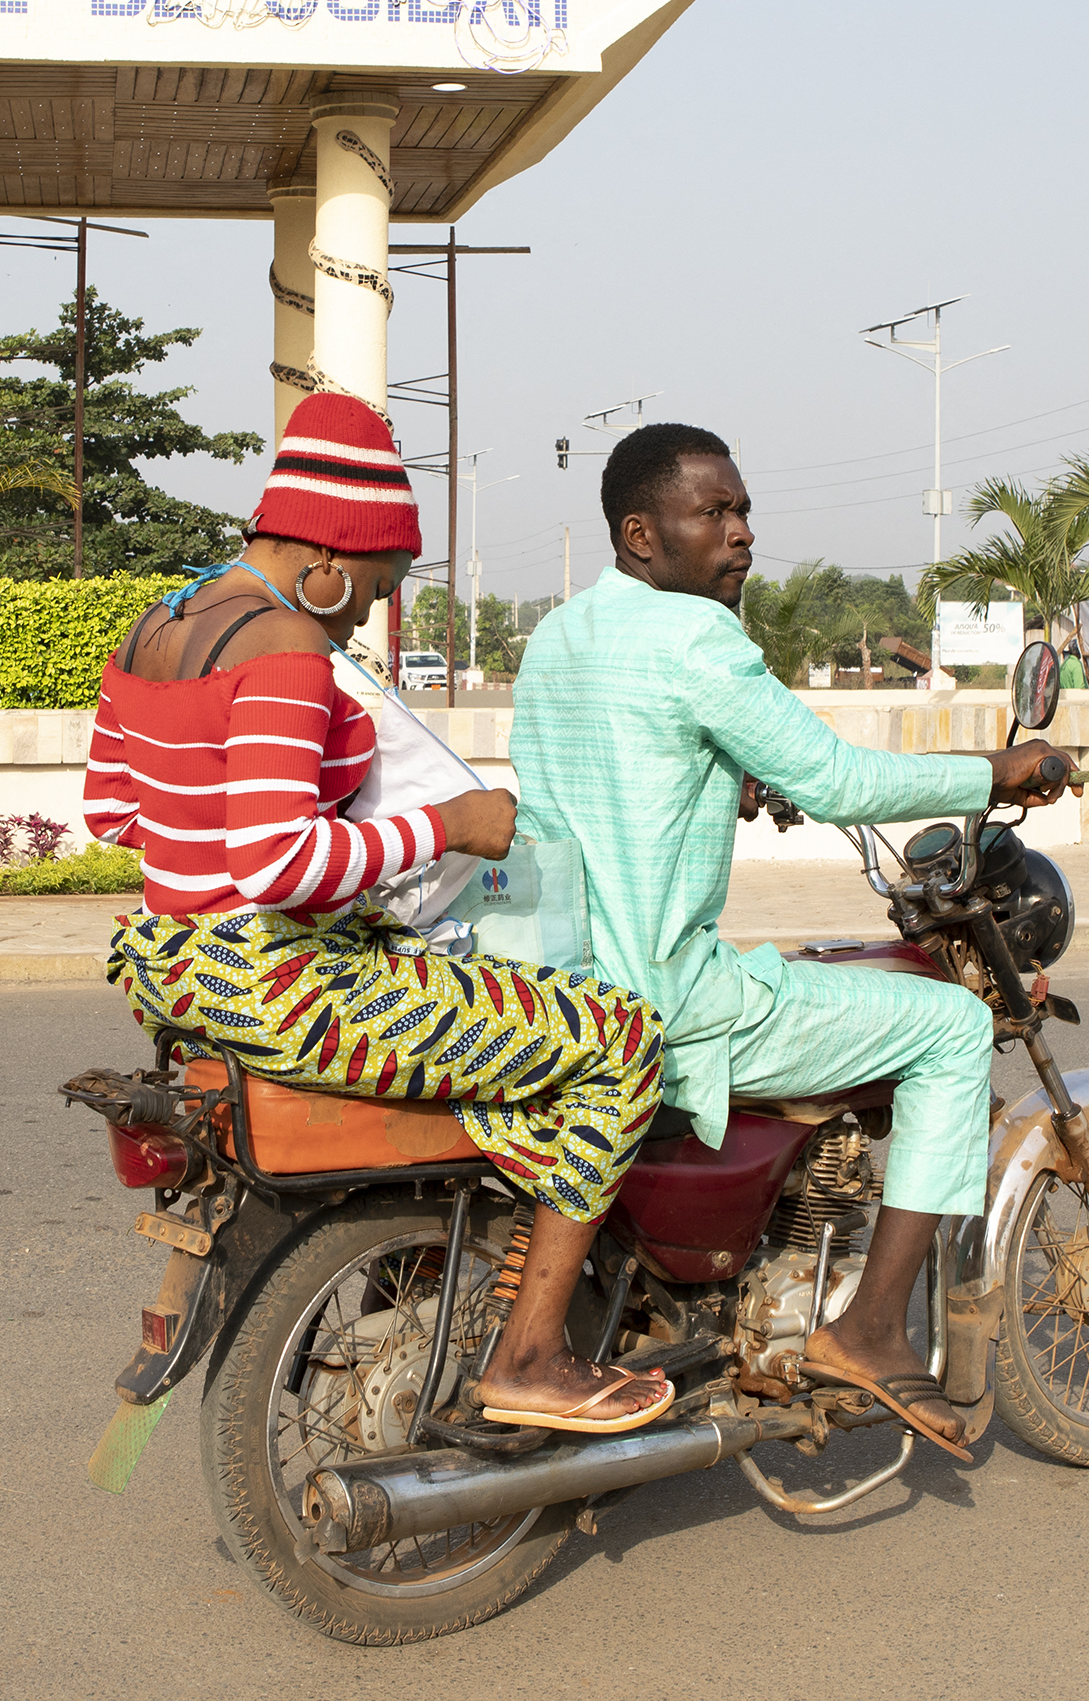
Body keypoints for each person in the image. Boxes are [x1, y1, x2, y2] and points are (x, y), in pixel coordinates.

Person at [81, 390, 671, 1435]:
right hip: (288, 985)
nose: (363, 618)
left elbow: (110, 808)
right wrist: (446, 827)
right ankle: (531, 1353)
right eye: (373, 589)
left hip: (178, 966)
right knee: (620, 1037)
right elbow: (276, 861)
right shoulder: (287, 649)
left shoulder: (157, 625)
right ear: (325, 562)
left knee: (494, 1002)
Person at [510, 423, 1070, 1460]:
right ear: (641, 532)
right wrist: (997, 769)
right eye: (713, 512)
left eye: (743, 510)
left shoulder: (561, 633)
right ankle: (868, 1330)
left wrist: (734, 776)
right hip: (670, 997)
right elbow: (845, 782)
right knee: (948, 1025)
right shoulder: (698, 638)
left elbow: (623, 772)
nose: (742, 533)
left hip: (559, 988)